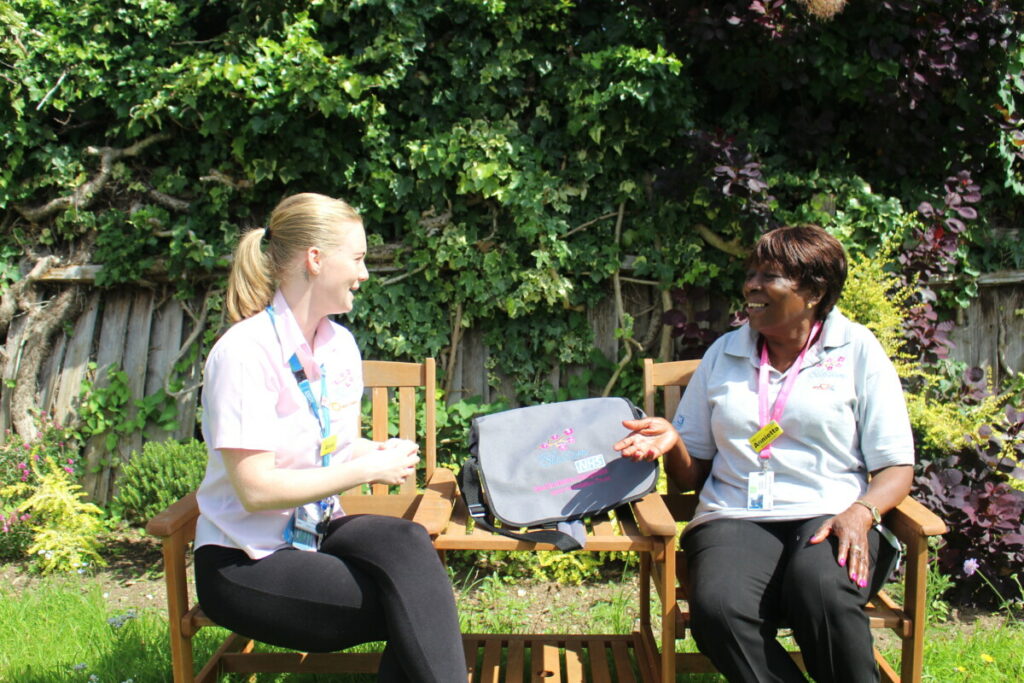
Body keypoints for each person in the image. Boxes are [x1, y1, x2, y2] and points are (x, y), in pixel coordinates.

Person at [615, 225, 914, 682]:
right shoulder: (724, 354)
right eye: (751, 273)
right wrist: (673, 442)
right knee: (717, 610)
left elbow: (896, 465)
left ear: (814, 291)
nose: (751, 285)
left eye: (769, 276)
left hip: (831, 512)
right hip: (736, 515)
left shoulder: (857, 350)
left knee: (822, 591)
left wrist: (863, 511)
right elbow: (692, 476)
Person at [193, 192, 466, 683]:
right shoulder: (244, 353)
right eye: (358, 258)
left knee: (407, 545)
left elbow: (332, 446)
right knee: (413, 604)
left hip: (316, 532)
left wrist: (373, 451)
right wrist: (364, 470)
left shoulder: (339, 345)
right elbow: (255, 490)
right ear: (315, 260)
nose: (364, 273)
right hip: (246, 559)